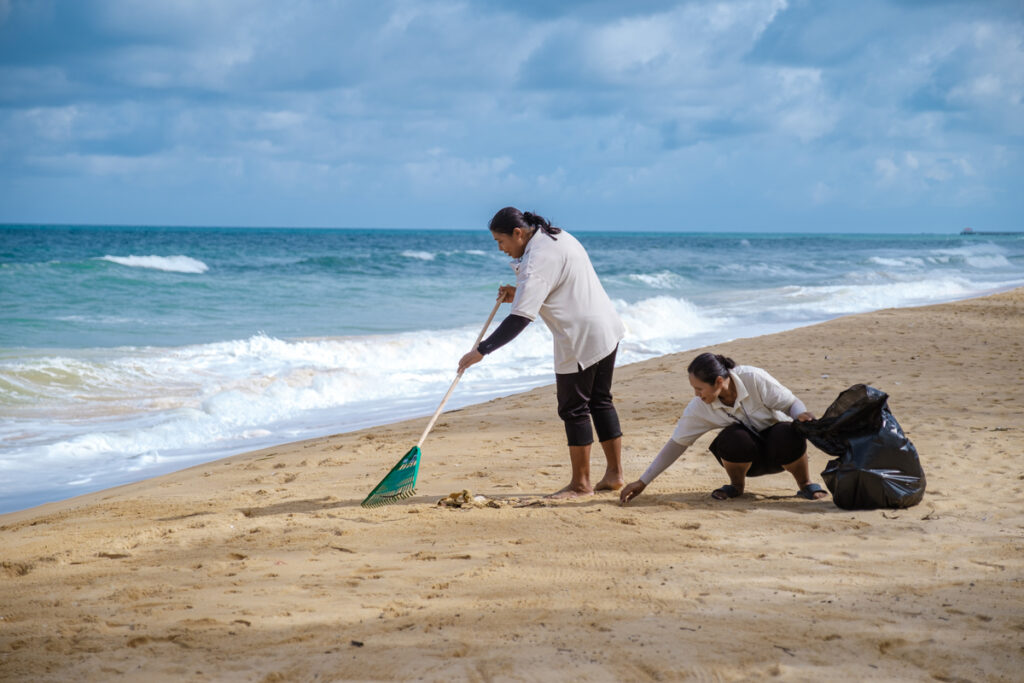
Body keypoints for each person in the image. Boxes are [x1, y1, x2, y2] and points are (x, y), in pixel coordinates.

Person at [458, 207, 626, 498]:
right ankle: (614, 475)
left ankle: (581, 485)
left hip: (579, 335)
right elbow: (558, 282)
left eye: (500, 241)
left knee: (573, 408)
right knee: (600, 401)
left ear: (518, 233)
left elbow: (520, 318)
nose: (500, 248)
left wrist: (482, 350)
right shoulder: (555, 236)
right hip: (605, 325)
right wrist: (519, 292)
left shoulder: (537, 259)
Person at [619, 352, 828, 505]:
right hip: (747, 460)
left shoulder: (753, 378)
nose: (696, 395)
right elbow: (676, 444)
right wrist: (643, 482)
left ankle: (805, 484)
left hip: (783, 452)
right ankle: (736, 486)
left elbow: (791, 404)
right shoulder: (699, 407)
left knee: (786, 431)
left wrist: (800, 414)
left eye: (699, 389)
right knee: (732, 437)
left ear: (719, 381)